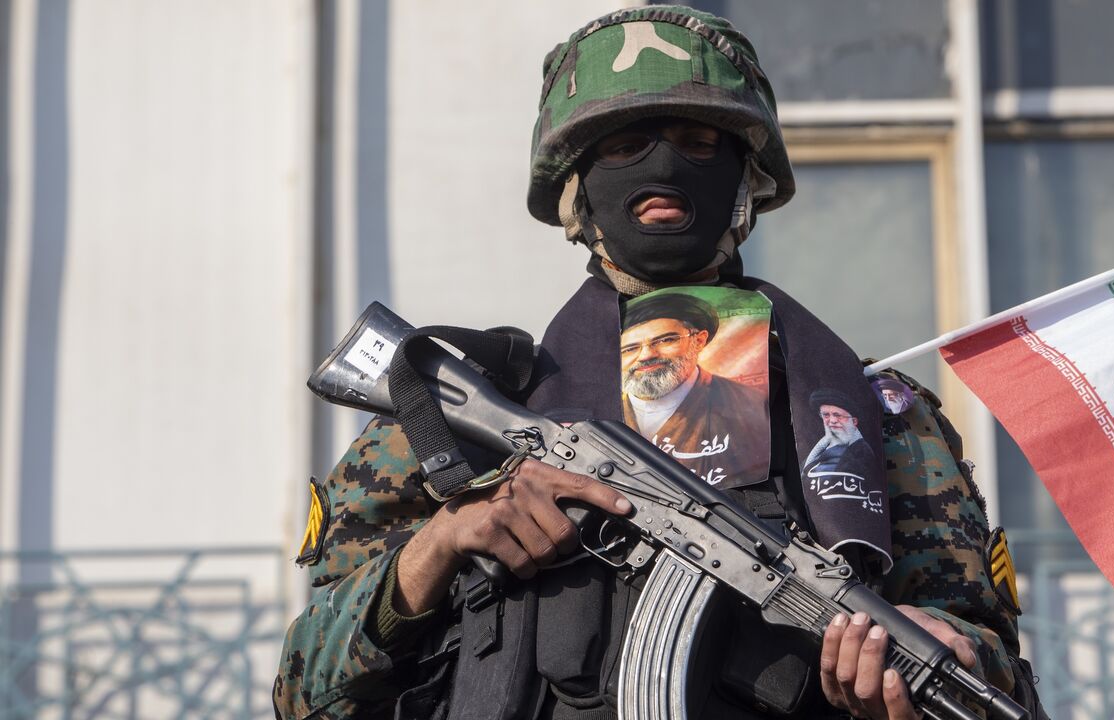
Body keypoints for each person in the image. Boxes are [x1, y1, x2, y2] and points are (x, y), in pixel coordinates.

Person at [274, 6, 1044, 720]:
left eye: (701, 143)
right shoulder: (452, 420)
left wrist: (939, 650)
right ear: (576, 188)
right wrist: (442, 542)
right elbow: (302, 692)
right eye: (623, 146)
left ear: (749, 180)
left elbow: (990, 667)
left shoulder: (868, 416)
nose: (665, 171)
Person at [620, 292, 769, 486]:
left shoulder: (752, 405)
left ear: (698, 340)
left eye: (666, 340)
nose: (646, 355)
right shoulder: (600, 409)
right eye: (630, 349)